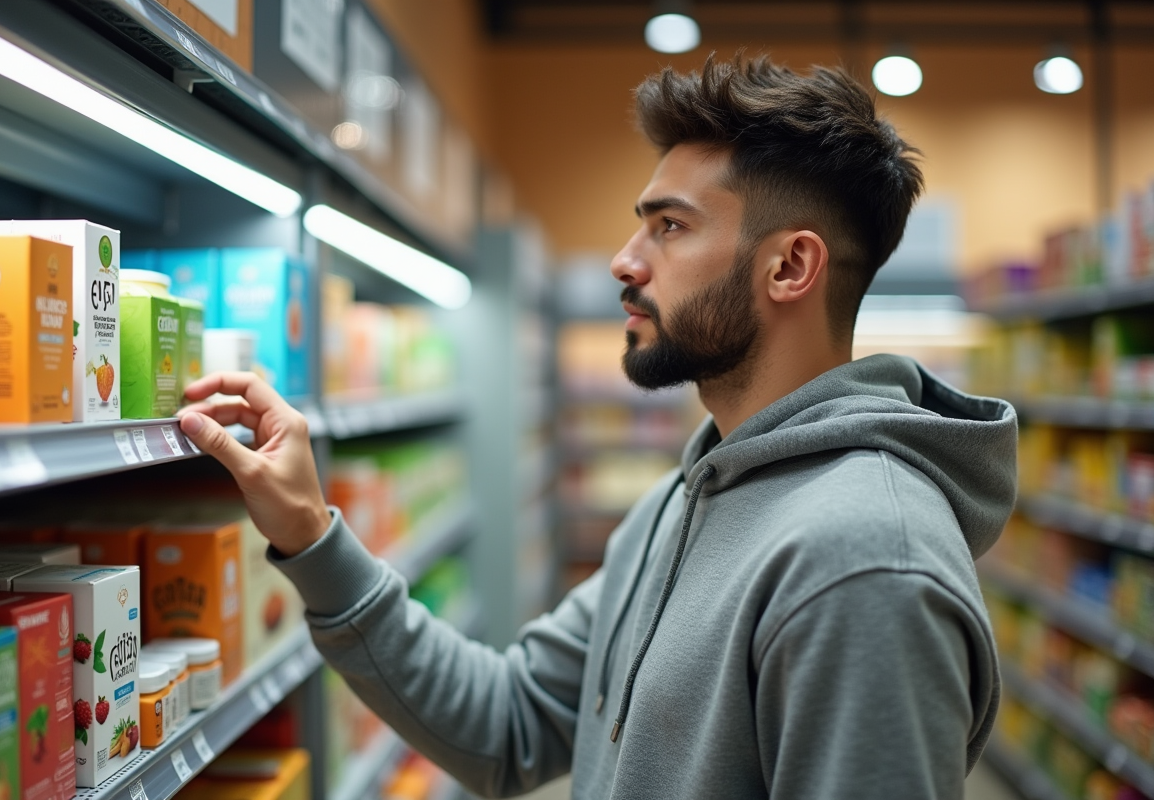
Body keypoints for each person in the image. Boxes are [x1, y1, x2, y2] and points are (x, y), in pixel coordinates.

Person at [178, 54, 1017, 800]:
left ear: (790, 266)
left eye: (670, 226)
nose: (624, 259)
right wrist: (308, 531)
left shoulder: (864, 561)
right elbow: (507, 724)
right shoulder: (681, 501)